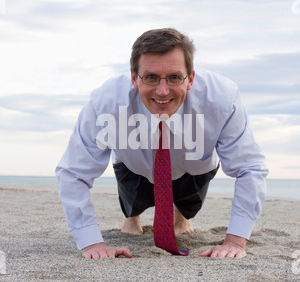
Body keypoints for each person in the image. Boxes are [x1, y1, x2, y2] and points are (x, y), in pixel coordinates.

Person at [56, 28, 268, 259]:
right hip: (135, 165)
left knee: (189, 207)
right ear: (134, 78)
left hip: (194, 167)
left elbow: (250, 167)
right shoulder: (106, 101)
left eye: (175, 77)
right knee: (132, 204)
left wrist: (235, 242)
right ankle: (132, 218)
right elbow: (73, 172)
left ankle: (181, 215)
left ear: (191, 78)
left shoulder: (222, 97)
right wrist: (91, 243)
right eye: (151, 77)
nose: (163, 90)